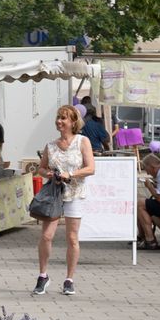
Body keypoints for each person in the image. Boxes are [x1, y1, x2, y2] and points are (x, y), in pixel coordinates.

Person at [33, 104, 95, 296]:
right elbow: (41, 168)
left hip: (74, 193)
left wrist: (71, 174)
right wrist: (48, 173)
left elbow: (91, 168)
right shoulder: (50, 146)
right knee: (46, 236)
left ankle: (69, 279)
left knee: (72, 238)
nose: (59, 121)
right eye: (58, 117)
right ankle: (43, 276)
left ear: (73, 122)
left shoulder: (82, 141)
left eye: (63, 118)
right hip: (55, 194)